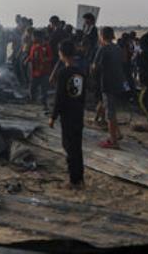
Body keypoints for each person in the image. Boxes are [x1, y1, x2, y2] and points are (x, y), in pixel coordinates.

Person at [49, 40, 85, 189]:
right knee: (76, 146)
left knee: (69, 147)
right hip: (78, 113)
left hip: (68, 115)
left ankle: (74, 181)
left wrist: (53, 116)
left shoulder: (63, 73)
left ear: (62, 54)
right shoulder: (81, 71)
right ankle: (79, 177)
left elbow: (59, 97)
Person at [93, 27, 125, 149]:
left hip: (107, 83)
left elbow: (95, 67)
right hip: (117, 82)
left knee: (109, 113)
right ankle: (117, 134)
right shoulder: (117, 48)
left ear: (101, 35)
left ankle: (113, 141)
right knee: (111, 108)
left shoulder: (103, 49)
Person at [25, 30, 53, 112]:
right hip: (35, 71)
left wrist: (45, 59)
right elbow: (31, 56)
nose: (32, 38)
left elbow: (51, 57)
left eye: (33, 37)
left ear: (38, 37)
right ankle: (32, 100)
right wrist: (27, 60)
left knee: (44, 89)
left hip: (44, 71)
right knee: (33, 86)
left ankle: (44, 103)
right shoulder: (33, 46)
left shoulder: (46, 46)